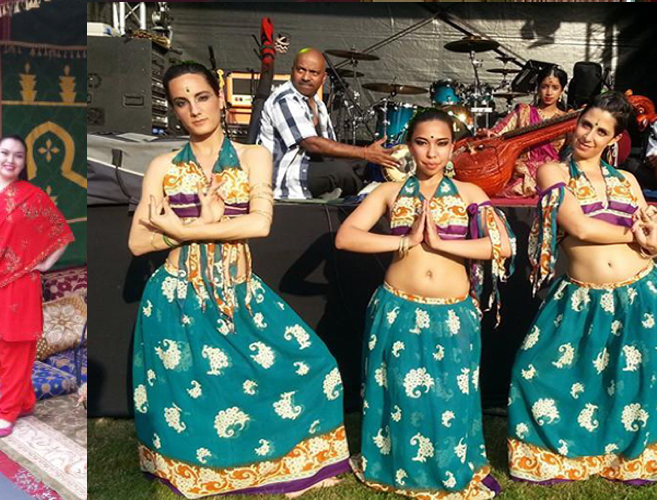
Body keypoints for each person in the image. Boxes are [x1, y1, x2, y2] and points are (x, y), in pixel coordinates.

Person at [129, 62, 349, 498]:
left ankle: (290, 459)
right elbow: (138, 241)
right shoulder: (162, 166)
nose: (194, 109)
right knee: (195, 399)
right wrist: (208, 224)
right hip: (178, 297)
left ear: (221, 98)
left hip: (240, 291)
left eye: (202, 96)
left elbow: (259, 224)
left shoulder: (253, 156)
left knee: (316, 366)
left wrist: (183, 227)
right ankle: (202, 468)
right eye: (181, 102)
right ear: (174, 111)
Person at [335, 108, 514, 499]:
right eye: (421, 142)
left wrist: (443, 244)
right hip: (398, 309)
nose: (431, 153)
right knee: (400, 393)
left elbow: (502, 244)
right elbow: (346, 237)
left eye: (441, 143)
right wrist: (404, 242)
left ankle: (448, 464)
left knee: (452, 395)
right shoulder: (388, 191)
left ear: (453, 147)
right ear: (408, 146)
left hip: (453, 313)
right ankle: (398, 466)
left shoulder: (471, 194)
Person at [508, 91, 657, 484]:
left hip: (643, 292)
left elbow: (656, 242)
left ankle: (629, 459)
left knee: (632, 381)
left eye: (601, 131)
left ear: (613, 140)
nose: (588, 135)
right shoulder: (553, 172)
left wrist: (653, 241)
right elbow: (580, 227)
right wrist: (634, 232)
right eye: (586, 124)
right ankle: (557, 454)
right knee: (535, 370)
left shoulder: (629, 181)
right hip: (581, 295)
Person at [0, 135, 73, 438]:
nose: (11, 160)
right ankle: (24, 401)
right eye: (6, 154)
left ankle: (7, 410)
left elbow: (62, 232)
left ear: (24, 162)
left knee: (16, 350)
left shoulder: (32, 196)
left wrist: (46, 264)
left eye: (19, 156)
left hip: (20, 283)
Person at [258, 48, 401, 200]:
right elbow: (312, 144)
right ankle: (364, 202)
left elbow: (329, 149)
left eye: (314, 72)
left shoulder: (318, 105)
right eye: (301, 70)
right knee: (340, 171)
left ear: (323, 78)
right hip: (285, 177)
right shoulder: (284, 99)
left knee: (365, 165)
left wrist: (369, 159)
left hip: (309, 167)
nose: (306, 77)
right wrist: (365, 153)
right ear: (292, 71)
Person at [482, 66, 570, 198]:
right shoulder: (524, 112)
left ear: (561, 91)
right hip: (523, 173)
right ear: (538, 89)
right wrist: (489, 135)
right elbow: (499, 133)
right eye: (544, 86)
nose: (549, 92)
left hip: (553, 171)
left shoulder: (567, 119)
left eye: (555, 88)